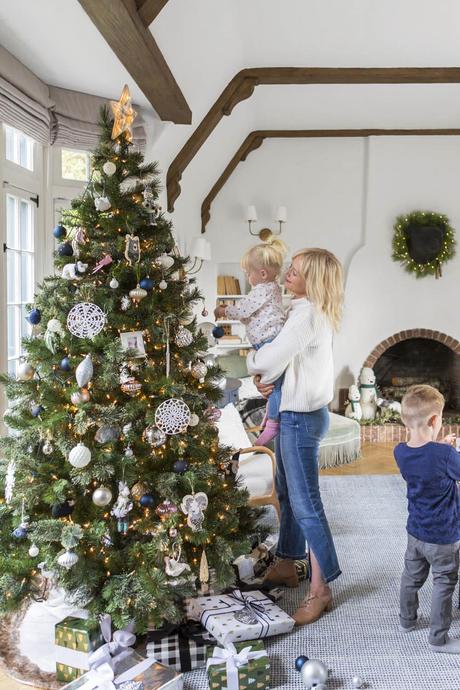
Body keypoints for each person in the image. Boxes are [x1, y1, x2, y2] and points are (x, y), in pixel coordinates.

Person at [246, 247, 344, 625]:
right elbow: (286, 365)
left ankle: (322, 589)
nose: (287, 272)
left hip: (302, 419)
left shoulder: (307, 315)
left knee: (307, 505)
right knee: (287, 493)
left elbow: (269, 359)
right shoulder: (303, 310)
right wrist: (270, 382)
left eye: (297, 271)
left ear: (314, 280)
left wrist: (255, 366)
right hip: (295, 413)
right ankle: (289, 562)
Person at [394, 384, 460, 654]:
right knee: (444, 582)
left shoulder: (400, 451)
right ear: (435, 420)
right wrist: (450, 452)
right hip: (443, 536)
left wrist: (443, 449)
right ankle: (438, 639)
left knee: (411, 577)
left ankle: (407, 621)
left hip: (415, 532)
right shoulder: (445, 456)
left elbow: (426, 461)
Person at [214, 237, 287, 445]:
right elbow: (250, 315)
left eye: (249, 272)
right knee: (269, 383)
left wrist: (223, 310)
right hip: (265, 343)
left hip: (268, 343)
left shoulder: (262, 289)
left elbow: (243, 310)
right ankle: (270, 415)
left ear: (262, 274)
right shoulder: (269, 289)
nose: (247, 276)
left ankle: (273, 422)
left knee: (273, 385)